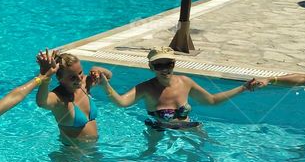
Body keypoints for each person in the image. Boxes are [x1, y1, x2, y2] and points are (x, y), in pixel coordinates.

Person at [96, 47, 257, 130]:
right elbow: (122, 102)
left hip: (188, 127)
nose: (165, 69)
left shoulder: (185, 82)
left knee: (208, 154)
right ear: (151, 67)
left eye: (168, 64)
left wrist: (243, 88)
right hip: (159, 129)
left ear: (174, 64)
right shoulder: (146, 88)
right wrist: (106, 85)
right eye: (159, 65)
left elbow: (212, 101)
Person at [34, 50, 113, 140]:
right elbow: (41, 102)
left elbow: (109, 76)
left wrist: (97, 70)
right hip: (70, 152)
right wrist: (46, 77)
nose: (79, 79)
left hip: (94, 149)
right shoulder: (59, 97)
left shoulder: (84, 84)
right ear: (60, 78)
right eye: (73, 77)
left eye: (80, 73)